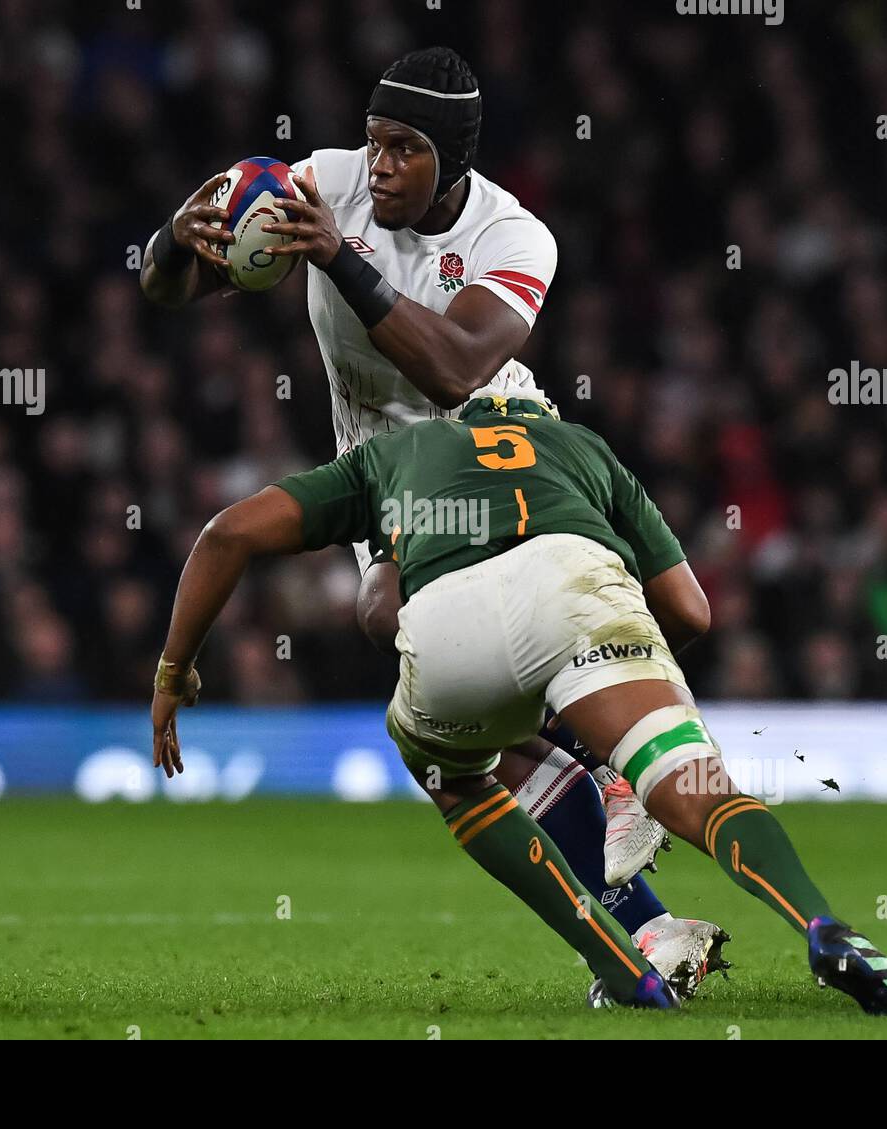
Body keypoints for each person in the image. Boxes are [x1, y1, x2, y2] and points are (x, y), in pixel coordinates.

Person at [139, 45, 727, 992]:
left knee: (405, 624)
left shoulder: (516, 236)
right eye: (372, 143)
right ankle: (645, 915)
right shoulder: (321, 185)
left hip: (497, 448)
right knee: (432, 678)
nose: (377, 169)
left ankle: (621, 767)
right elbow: (167, 291)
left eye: (404, 149)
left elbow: (456, 367)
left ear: (454, 160)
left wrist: (337, 254)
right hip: (384, 474)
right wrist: (175, 240)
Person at [149, 385, 887, 1016]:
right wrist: (619, 692)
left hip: (448, 617)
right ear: (540, 414)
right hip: (577, 584)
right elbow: (694, 611)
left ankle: (622, 965)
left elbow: (228, 533)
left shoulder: (394, 451)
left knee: (454, 773)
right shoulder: (583, 448)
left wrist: (174, 667)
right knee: (696, 786)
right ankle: (822, 924)